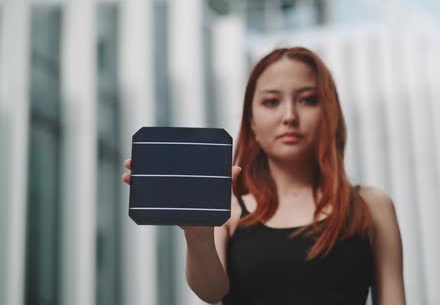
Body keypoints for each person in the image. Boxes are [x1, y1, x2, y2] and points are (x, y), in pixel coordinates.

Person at [122, 47, 405, 304]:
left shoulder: (372, 206)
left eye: (307, 99)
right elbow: (211, 292)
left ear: (329, 113)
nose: (289, 116)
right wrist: (198, 235)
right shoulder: (229, 209)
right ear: (252, 122)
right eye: (271, 102)